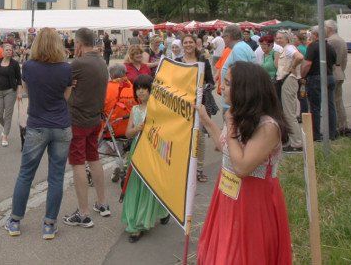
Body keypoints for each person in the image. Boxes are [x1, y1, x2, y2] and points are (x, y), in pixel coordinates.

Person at [194, 62, 292, 264]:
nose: (222, 87)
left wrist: (230, 125)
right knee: (225, 250)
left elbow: (242, 167)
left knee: (244, 255)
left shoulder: (268, 126)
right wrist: (206, 120)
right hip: (227, 193)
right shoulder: (239, 115)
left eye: (228, 83)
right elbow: (226, 148)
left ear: (246, 89)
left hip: (253, 201)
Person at [5, 28, 73, 240]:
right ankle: (49, 225)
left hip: (37, 125)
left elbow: (27, 90)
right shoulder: (66, 68)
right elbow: (66, 96)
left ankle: (15, 221)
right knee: (56, 176)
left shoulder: (29, 67)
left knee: (26, 174)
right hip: (61, 126)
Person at [63, 28, 110, 228]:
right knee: (94, 158)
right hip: (94, 119)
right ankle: (102, 203)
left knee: (78, 163)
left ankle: (83, 213)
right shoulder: (101, 61)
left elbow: (61, 86)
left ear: (79, 44)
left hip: (78, 120)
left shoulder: (79, 63)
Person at [120, 74, 170, 242]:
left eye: (144, 89)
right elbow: (128, 133)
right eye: (138, 89)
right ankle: (135, 222)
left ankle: (152, 216)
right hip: (137, 151)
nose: (140, 92)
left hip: (153, 151)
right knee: (135, 185)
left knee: (150, 185)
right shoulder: (135, 110)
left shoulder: (158, 109)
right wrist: (137, 129)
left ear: (151, 90)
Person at [176, 34, 215, 183]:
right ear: (182, 45)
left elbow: (211, 82)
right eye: (185, 42)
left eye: (190, 42)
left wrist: (202, 88)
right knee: (183, 136)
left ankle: (199, 169)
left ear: (195, 44)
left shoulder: (203, 60)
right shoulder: (178, 61)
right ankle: (184, 167)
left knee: (199, 138)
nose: (188, 45)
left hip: (199, 105)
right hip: (182, 105)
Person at [300, 27, 337, 141]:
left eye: (311, 34)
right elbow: (334, 63)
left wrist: (302, 75)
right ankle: (332, 133)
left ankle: (316, 134)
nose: (310, 36)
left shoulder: (313, 46)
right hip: (329, 76)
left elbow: (307, 64)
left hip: (315, 77)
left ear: (315, 35)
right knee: (330, 106)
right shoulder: (330, 47)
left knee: (315, 107)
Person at [274, 31, 303, 152]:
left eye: (281, 38)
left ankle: (297, 143)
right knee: (288, 113)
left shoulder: (289, 48)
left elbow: (299, 57)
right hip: (286, 81)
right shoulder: (285, 49)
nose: (278, 40)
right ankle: (294, 141)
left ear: (287, 39)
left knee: (289, 113)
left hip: (288, 81)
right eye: (277, 38)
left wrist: (292, 67)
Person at [0, 42, 21, 146]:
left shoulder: (15, 64)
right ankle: (6, 127)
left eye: (10, 50)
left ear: (12, 52)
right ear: (3, 51)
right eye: (7, 50)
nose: (8, 51)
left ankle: (5, 136)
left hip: (10, 91)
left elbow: (19, 80)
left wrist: (19, 93)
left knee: (8, 115)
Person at [325, 20, 351, 137]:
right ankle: (342, 125)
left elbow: (327, 59)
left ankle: (337, 126)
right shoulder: (340, 39)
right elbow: (344, 60)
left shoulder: (331, 41)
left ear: (329, 28)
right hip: (339, 71)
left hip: (333, 73)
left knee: (333, 102)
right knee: (338, 101)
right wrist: (340, 69)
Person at [103, 64, 136, 140]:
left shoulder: (106, 89)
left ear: (111, 75)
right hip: (131, 131)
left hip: (111, 132)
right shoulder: (133, 87)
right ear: (125, 73)